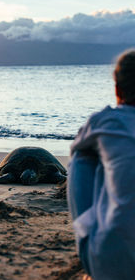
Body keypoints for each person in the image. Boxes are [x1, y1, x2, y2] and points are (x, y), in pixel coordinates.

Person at [68, 49, 135, 280]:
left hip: (112, 264)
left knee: (84, 155)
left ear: (117, 90)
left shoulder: (106, 120)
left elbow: (76, 147)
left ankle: (87, 231)